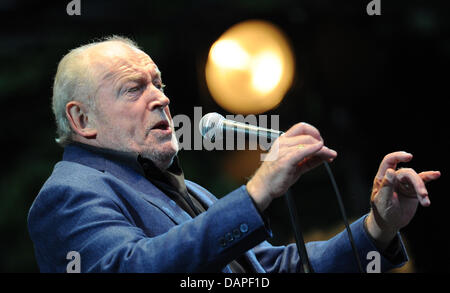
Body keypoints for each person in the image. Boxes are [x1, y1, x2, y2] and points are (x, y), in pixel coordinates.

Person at [27, 36, 440, 273]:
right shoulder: (68, 193)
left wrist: (378, 227)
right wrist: (257, 190)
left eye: (159, 84)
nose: (162, 99)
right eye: (134, 89)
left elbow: (273, 269)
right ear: (82, 119)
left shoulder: (197, 195)